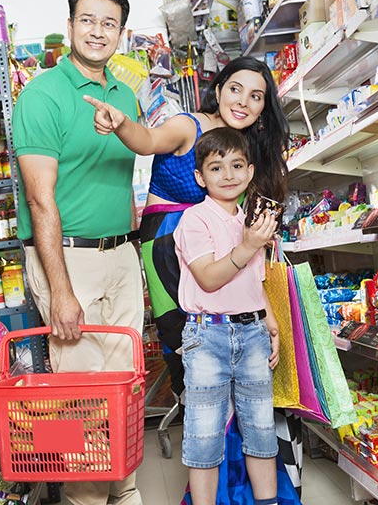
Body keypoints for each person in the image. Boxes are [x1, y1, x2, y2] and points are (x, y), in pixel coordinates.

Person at [87, 57, 289, 397]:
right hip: (167, 239)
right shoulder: (188, 126)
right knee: (185, 340)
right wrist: (122, 124)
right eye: (235, 89)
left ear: (263, 107)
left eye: (255, 96)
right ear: (219, 89)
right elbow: (148, 140)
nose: (243, 101)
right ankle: (202, 426)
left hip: (220, 241)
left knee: (229, 332)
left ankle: (236, 440)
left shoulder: (248, 145)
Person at [12, 0, 143, 505]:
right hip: (67, 258)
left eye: (108, 23)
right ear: (69, 26)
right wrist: (60, 290)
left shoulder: (126, 96)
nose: (97, 31)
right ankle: (86, 500)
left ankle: (126, 492)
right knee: (85, 400)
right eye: (87, 20)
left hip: (121, 255)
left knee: (126, 390)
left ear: (120, 33)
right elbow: (41, 202)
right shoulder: (41, 94)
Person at [173, 127, 280, 505]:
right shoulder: (194, 220)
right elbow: (208, 277)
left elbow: (255, 280)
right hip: (206, 336)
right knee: (204, 433)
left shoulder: (251, 221)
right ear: (201, 177)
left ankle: (267, 500)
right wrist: (249, 245)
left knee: (261, 427)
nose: (229, 175)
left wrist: (270, 320)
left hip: (252, 333)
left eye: (237, 165)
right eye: (216, 168)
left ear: (250, 172)